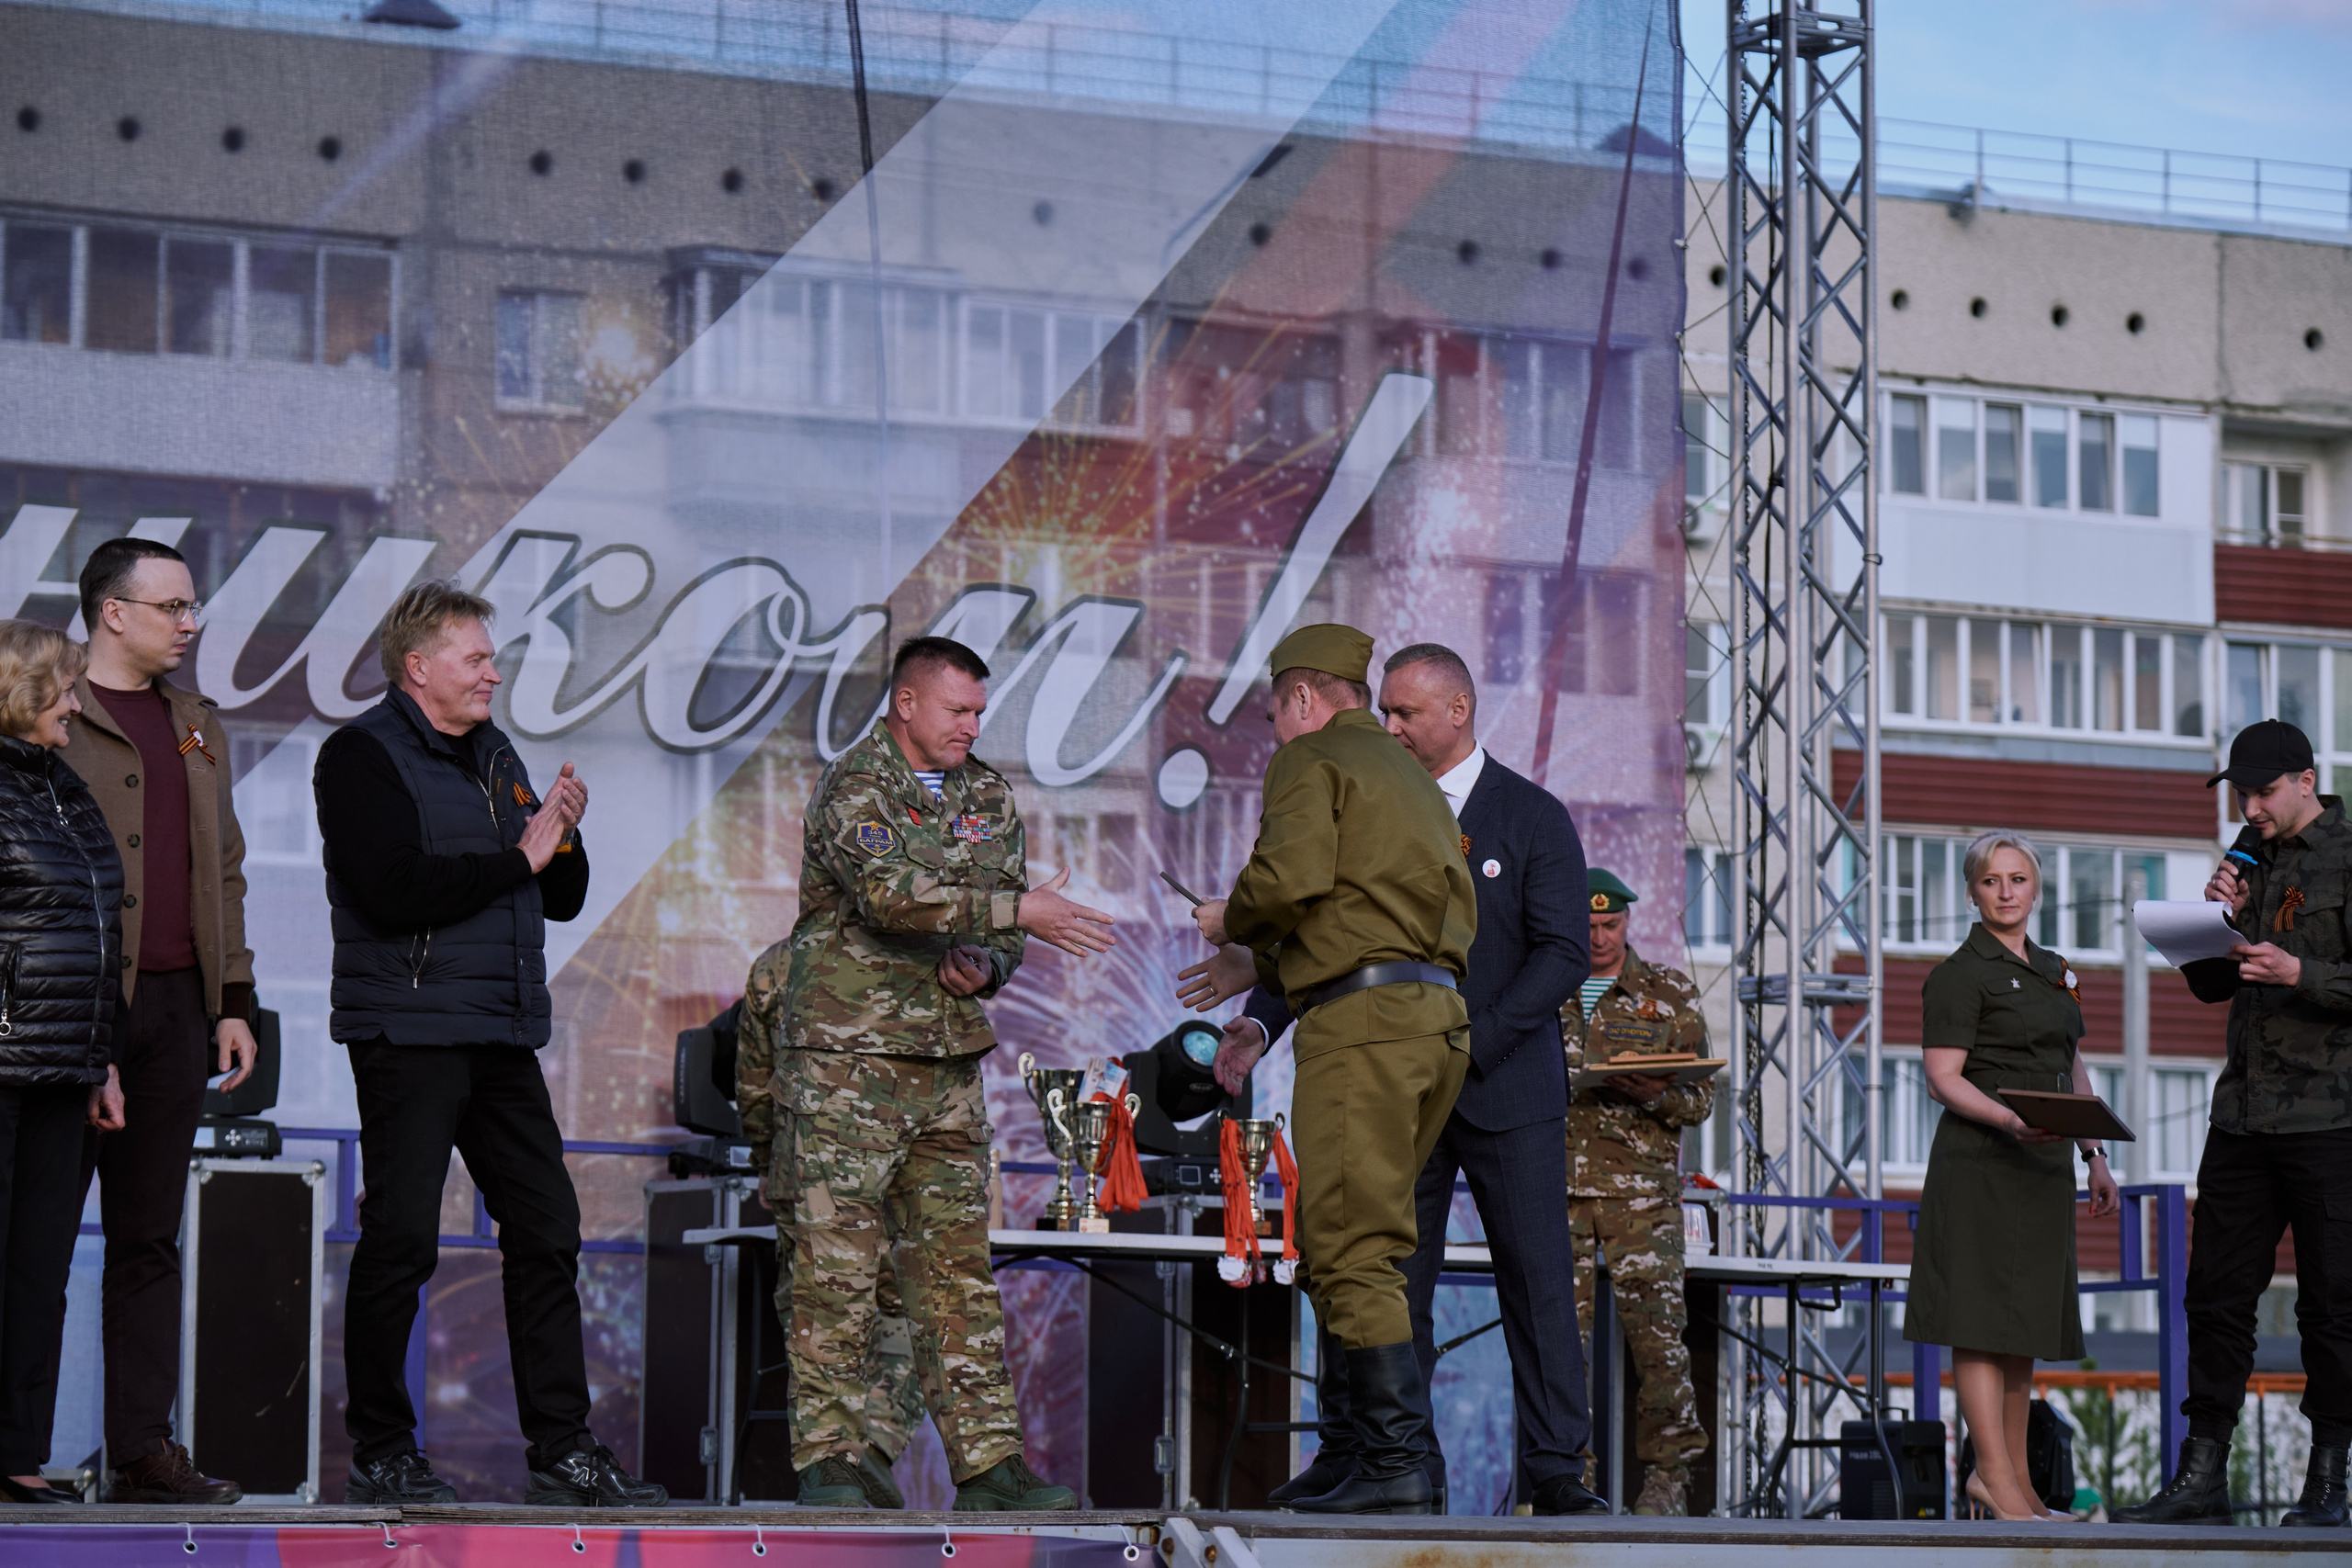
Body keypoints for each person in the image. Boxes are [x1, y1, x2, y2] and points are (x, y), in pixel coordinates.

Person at [1207, 643, 1603, 1516]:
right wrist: (1264, 1018)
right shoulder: (1384, 788)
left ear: (1458, 711)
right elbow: (1338, 927)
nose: (1389, 725)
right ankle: (1373, 1456)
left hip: (1495, 1081)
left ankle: (1555, 1470)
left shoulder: (1531, 814)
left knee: (1536, 1281)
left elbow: (1564, 951)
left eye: (1407, 713)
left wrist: (1474, 1042)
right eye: (1383, 709)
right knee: (1370, 1259)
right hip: (1410, 1065)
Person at [315, 581, 663, 1507]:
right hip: (411, 1028)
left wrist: (563, 838)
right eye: (475, 658)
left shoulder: (494, 753)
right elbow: (392, 889)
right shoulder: (359, 757)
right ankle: (384, 1449)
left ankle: (562, 1450)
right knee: (401, 1242)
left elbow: (556, 895)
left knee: (549, 1229)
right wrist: (522, 854)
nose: (492, 673)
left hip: (501, 1034)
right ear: (418, 667)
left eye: (490, 658)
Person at [775, 636, 1112, 1512]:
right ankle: (831, 1461)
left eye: (978, 710)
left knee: (956, 1269)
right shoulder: (855, 786)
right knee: (836, 1269)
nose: (972, 724)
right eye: (957, 709)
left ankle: (989, 1467)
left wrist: (990, 962)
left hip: (946, 1062)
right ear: (907, 704)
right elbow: (891, 894)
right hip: (848, 1060)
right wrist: (1019, 912)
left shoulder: (986, 793)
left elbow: (999, 921)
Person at [1185, 623, 1475, 1516]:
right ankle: (1353, 1452)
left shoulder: (1310, 760)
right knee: (1350, 1236)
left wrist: (1229, 917)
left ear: (1302, 699)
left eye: (1277, 712)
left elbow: (1290, 877)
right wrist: (1270, 970)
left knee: (1350, 1243)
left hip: (1365, 1029)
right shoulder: (1413, 780)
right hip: (1432, 1021)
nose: (1277, 731)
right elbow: (1376, 912)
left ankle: (1394, 1464)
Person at [53, 538, 255, 1504]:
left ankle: (141, 1449)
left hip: (177, 1013)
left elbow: (223, 872)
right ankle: (16, 1446)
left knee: (149, 1241)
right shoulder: (47, 713)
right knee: (35, 1240)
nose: (190, 623)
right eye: (171, 607)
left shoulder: (197, 724)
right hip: (68, 1016)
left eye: (192, 606)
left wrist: (234, 1001)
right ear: (111, 613)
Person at [2118, 720, 2352, 1529]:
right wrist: (2214, 931)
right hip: (2241, 1117)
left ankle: (2327, 1483)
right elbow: (2221, 991)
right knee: (2215, 1298)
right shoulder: (2247, 862)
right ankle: (2200, 1475)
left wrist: (2301, 970)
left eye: (2262, 791)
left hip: (2333, 1118)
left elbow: (2319, 977)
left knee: (2334, 1305)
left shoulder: (2349, 855)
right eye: (2240, 793)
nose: (2249, 806)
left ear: (2306, 779)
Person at [1907, 831, 2120, 1523]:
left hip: (2045, 1162)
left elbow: (2072, 1066)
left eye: (2018, 877)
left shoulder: (2057, 969)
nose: (2005, 890)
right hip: (1982, 1161)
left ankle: (2019, 1485)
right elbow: (1942, 1078)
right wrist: (2006, 1119)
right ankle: (1991, 1476)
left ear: (2036, 887)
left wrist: (2094, 1153)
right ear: (1972, 891)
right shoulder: (1957, 974)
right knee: (1977, 1320)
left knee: (2022, 1325)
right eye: (1991, 879)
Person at [0, 620, 125, 1505]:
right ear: (21, 690)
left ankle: (15, 1451)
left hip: (62, 1067)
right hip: (1, 1059)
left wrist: (102, 1060)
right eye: (65, 691)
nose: (77, 706)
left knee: (39, 1271)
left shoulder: (64, 788)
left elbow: (99, 930)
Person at [735, 938, 925, 1507]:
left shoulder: (776, 965)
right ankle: (876, 1446)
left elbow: (754, 1082)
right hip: (903, 1177)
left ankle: (834, 1466)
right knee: (915, 1315)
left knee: (817, 1320)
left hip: (808, 1175)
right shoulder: (916, 950)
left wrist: (768, 1161)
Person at [1560, 868, 1714, 1516]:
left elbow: (1702, 1096)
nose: (1599, 937)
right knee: (1559, 1345)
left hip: (1642, 1197)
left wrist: (1660, 1093)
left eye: (1611, 925)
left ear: (1628, 922)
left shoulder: (1667, 990)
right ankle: (1568, 1478)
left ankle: (1668, 1481)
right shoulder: (1543, 986)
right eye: (1589, 925)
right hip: (1558, 1186)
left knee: (1659, 1344)